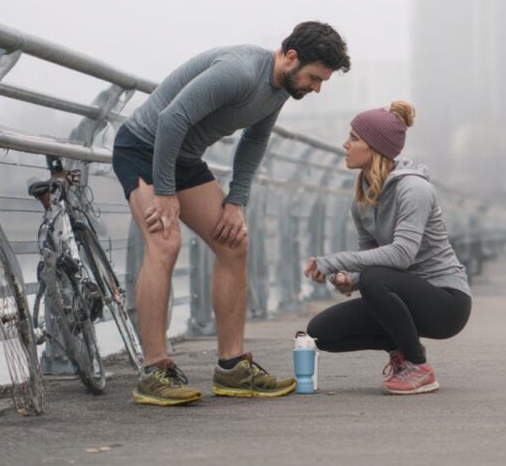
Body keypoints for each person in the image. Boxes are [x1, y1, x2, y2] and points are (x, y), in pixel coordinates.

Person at [112, 22, 351, 406]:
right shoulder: (238, 72)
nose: (316, 88)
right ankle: (154, 372)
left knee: (234, 242)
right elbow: (171, 119)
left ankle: (232, 367)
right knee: (165, 242)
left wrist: (236, 200)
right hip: (143, 147)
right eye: (314, 77)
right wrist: (166, 192)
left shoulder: (281, 89)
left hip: (185, 159)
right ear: (291, 58)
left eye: (322, 81)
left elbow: (255, 138)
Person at [303, 101, 471, 395]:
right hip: (405, 295)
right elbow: (372, 263)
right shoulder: (362, 200)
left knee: (374, 279)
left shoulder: (414, 190)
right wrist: (349, 279)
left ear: (376, 148)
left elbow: (402, 256)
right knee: (319, 334)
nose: (345, 144)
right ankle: (403, 348)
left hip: (447, 302)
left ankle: (418, 368)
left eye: (354, 138)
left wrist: (334, 262)